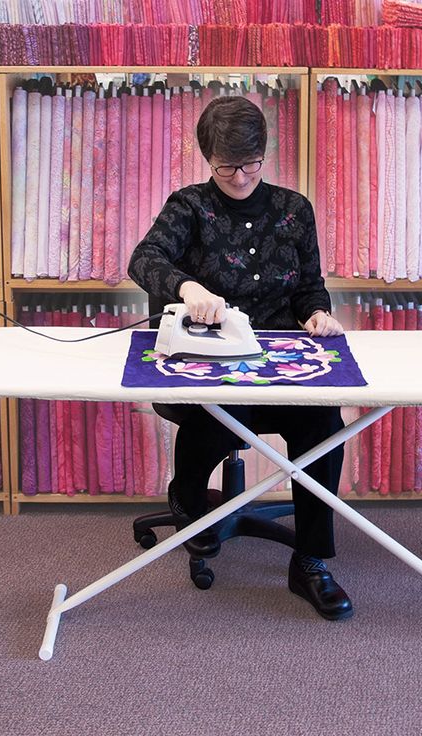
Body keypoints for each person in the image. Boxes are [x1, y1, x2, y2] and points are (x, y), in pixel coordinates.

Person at [128, 96, 351, 621]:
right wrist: (185, 287)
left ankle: (312, 558)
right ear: (207, 157)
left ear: (264, 154)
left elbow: (309, 287)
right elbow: (144, 259)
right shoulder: (189, 207)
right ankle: (187, 496)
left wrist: (317, 313)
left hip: (276, 360)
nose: (241, 176)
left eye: (251, 163)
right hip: (207, 359)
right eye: (227, 166)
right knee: (224, 417)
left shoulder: (294, 211)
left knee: (324, 424)